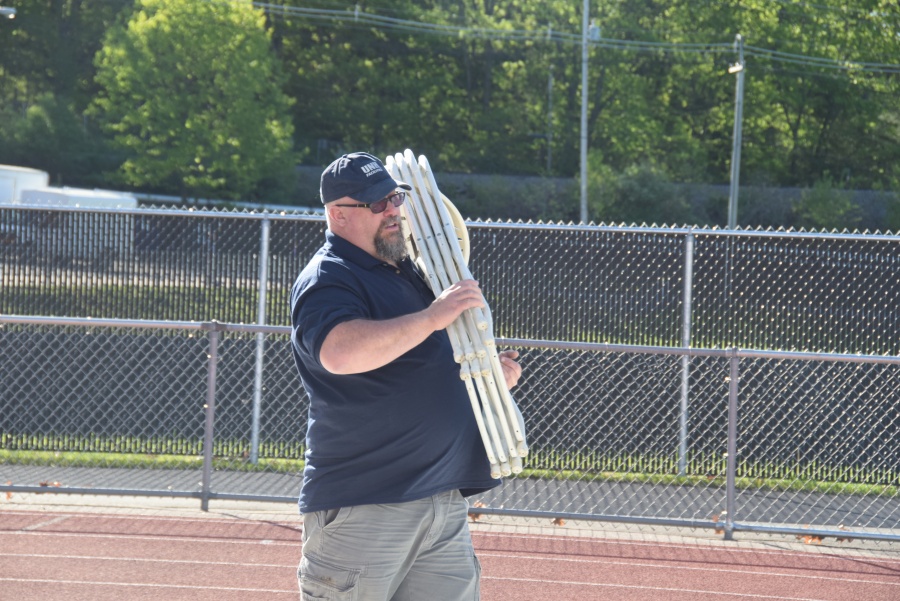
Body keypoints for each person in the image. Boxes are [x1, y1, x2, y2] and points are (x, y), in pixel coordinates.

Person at [289, 151, 522, 601]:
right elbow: (339, 352)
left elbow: (420, 367)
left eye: (395, 198)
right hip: (368, 500)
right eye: (377, 204)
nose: (393, 210)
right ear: (339, 214)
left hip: (441, 499)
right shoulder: (328, 276)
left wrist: (490, 381)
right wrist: (435, 316)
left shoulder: (410, 271)